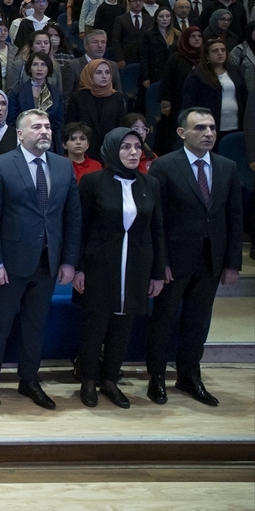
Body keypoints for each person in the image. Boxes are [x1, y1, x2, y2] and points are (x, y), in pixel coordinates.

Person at [0, 108, 81, 410]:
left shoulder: (63, 167)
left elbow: (72, 216)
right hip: (11, 263)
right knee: (0, 324)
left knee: (36, 324)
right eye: (37, 127)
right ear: (20, 134)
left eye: (48, 127)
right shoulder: (0, 165)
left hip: (48, 261)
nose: (44, 132)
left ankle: (29, 379)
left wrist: (68, 261)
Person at [146, 108, 244, 407]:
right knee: (163, 320)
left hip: (210, 258)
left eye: (212, 128)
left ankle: (190, 376)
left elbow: (234, 217)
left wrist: (232, 262)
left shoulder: (227, 166)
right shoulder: (165, 166)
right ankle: (157, 377)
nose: (209, 134)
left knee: (198, 321)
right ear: (182, 133)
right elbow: (156, 220)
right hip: (174, 260)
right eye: (200, 128)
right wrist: (159, 263)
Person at [73, 127, 166, 409]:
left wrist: (158, 273)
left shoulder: (150, 185)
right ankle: (88, 380)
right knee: (96, 325)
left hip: (137, 266)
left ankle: (111, 380)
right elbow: (80, 228)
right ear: (113, 149)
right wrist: (78, 268)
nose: (133, 152)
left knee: (123, 326)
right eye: (125, 147)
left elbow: (157, 231)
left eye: (137, 147)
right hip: (100, 265)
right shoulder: (92, 182)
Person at [181, 38, 248, 145]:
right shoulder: (197, 74)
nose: (220, 53)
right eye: (215, 51)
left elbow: (244, 97)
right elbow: (189, 102)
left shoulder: (235, 71)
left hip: (236, 123)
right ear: (207, 55)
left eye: (223, 50)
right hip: (210, 124)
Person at [65, 59, 127, 160]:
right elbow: (70, 126)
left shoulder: (117, 97)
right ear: (89, 74)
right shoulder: (78, 97)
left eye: (107, 72)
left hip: (109, 151)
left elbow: (120, 126)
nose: (104, 76)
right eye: (98, 72)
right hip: (84, 152)